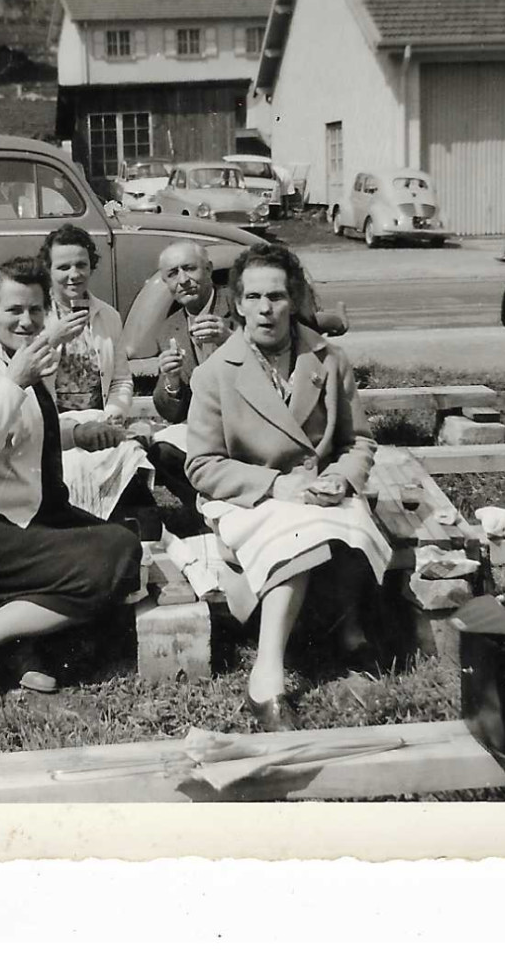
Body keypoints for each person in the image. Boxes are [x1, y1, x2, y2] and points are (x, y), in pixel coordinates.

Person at [185, 243, 392, 732]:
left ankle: (343, 627)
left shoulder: (329, 359)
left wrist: (341, 476)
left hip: (320, 492)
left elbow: (358, 440)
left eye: (276, 296)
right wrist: (277, 486)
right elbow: (201, 465)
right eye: (253, 297)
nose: (265, 308)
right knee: (299, 530)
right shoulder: (215, 373)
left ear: (293, 300)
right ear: (236, 304)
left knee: (339, 525)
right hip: (249, 499)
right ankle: (267, 672)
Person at [0, 255, 142, 713]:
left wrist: (77, 433)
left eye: (37, 311)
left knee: (122, 540)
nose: (27, 321)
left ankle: (14, 641)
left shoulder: (13, 356)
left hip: (25, 513)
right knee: (112, 558)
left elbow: (23, 435)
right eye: (14, 311)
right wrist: (14, 382)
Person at [142, 241, 235, 508]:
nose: (183, 280)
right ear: (166, 283)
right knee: (158, 451)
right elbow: (171, 413)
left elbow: (273, 362)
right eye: (173, 274)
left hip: (248, 423)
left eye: (190, 269)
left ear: (208, 269)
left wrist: (231, 340)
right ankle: (203, 511)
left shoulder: (240, 305)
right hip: (204, 430)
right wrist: (171, 382)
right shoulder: (169, 329)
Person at [38, 223, 134, 419]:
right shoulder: (36, 315)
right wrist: (52, 338)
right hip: (52, 428)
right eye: (63, 267)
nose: (74, 275)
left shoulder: (108, 315)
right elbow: (21, 376)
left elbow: (121, 380)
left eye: (81, 265)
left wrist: (113, 414)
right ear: (48, 270)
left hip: (99, 423)